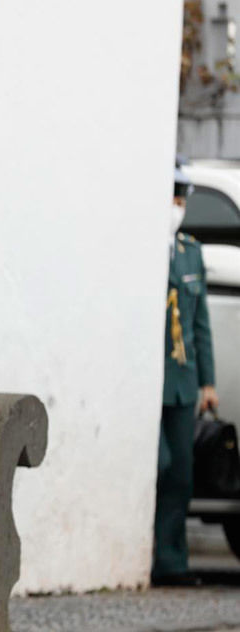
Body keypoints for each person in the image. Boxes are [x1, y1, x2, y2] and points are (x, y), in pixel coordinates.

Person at [153, 160, 218, 587]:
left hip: (181, 380)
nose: (177, 204)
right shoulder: (146, 249)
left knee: (181, 473)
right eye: (172, 195)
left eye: (182, 196)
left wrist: (207, 382)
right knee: (157, 464)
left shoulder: (190, 251)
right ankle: (146, 551)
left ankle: (171, 562)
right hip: (151, 380)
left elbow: (200, 324)